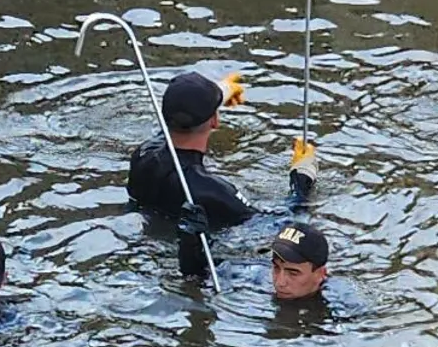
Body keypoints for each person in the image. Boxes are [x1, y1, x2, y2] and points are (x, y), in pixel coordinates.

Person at [126, 71, 319, 230]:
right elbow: (278, 222)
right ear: (215, 121)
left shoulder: (143, 155)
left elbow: (170, 128)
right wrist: (302, 178)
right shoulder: (213, 192)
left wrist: (220, 92)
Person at [179, 216, 331, 301]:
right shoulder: (257, 275)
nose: (279, 282)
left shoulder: (340, 301)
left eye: (293, 273)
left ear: (320, 274)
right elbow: (200, 273)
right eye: (276, 268)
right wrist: (190, 244)